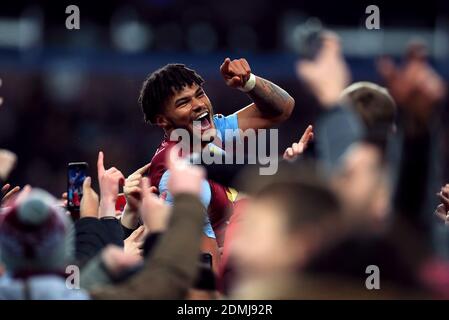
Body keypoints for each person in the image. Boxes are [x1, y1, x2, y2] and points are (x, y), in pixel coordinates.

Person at [122, 58, 295, 269]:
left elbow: (282, 109)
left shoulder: (211, 133)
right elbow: (206, 274)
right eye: (183, 102)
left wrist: (249, 83)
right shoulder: (180, 176)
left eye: (199, 94)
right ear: (163, 120)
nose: (198, 105)